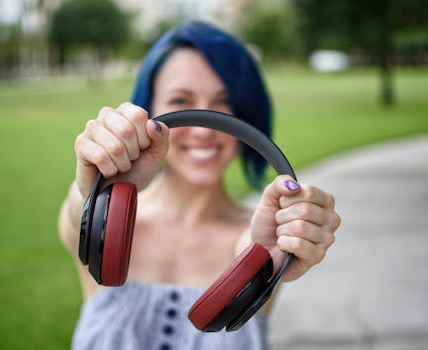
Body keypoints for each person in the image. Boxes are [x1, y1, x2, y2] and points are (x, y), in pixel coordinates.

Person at [58, 20, 340, 350]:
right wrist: (98, 189)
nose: (205, 128)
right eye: (181, 100)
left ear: (246, 118)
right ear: (147, 113)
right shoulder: (107, 229)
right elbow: (79, 212)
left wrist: (281, 245)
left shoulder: (262, 241)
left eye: (224, 101)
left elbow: (257, 257)